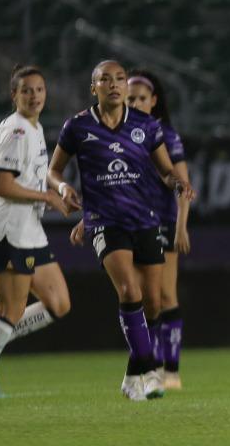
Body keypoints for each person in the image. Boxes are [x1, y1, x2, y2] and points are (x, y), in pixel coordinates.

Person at [51, 59, 194, 402]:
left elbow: (165, 171)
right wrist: (62, 189)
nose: (114, 84)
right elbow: (53, 170)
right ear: (93, 87)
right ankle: (149, 371)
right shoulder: (78, 127)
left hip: (145, 220)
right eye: (106, 79)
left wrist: (179, 184)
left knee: (154, 302)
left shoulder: (146, 126)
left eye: (120, 79)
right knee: (129, 290)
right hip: (105, 222)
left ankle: (131, 376)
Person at [0, 65, 78, 398]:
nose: (34, 96)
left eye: (39, 89)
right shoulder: (17, 131)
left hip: (29, 230)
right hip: (9, 232)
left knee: (58, 303)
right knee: (9, 312)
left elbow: (30, 175)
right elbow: (2, 185)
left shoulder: (33, 128)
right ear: (13, 95)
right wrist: (47, 196)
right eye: (26, 90)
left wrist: (59, 191)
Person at [128, 69, 190, 390]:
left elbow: (182, 184)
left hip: (161, 222)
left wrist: (181, 226)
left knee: (164, 294)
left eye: (141, 98)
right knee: (137, 296)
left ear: (153, 101)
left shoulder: (166, 135)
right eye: (130, 99)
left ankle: (171, 371)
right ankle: (146, 367)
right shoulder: (117, 134)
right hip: (129, 222)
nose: (136, 104)